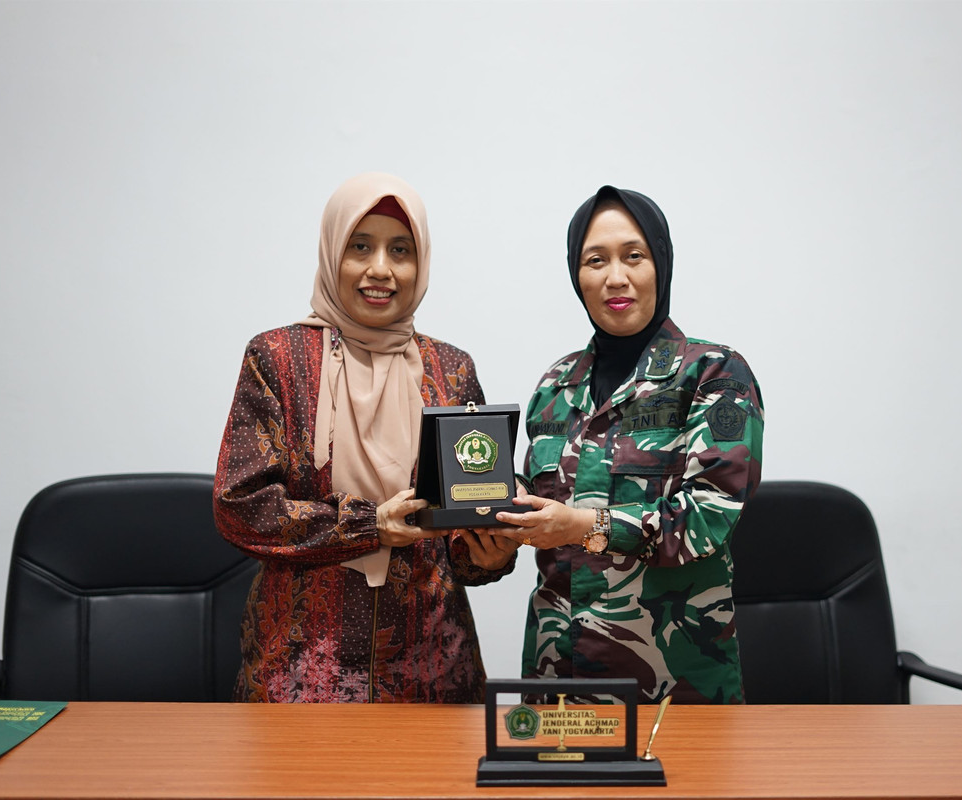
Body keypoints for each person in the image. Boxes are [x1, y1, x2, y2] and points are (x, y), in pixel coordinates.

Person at [214, 173, 518, 703]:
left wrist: (488, 552)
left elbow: (462, 515)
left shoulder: (450, 369)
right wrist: (367, 525)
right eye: (360, 247)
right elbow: (240, 507)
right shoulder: (279, 359)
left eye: (400, 250)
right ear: (333, 253)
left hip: (433, 670)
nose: (381, 268)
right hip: (303, 672)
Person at [495, 185, 764, 704]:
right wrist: (498, 521)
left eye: (633, 256)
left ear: (660, 264)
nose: (615, 277)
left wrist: (584, 526)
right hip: (557, 683)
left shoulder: (714, 374)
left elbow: (707, 519)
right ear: (576, 275)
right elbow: (540, 506)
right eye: (595, 260)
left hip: (674, 687)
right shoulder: (556, 385)